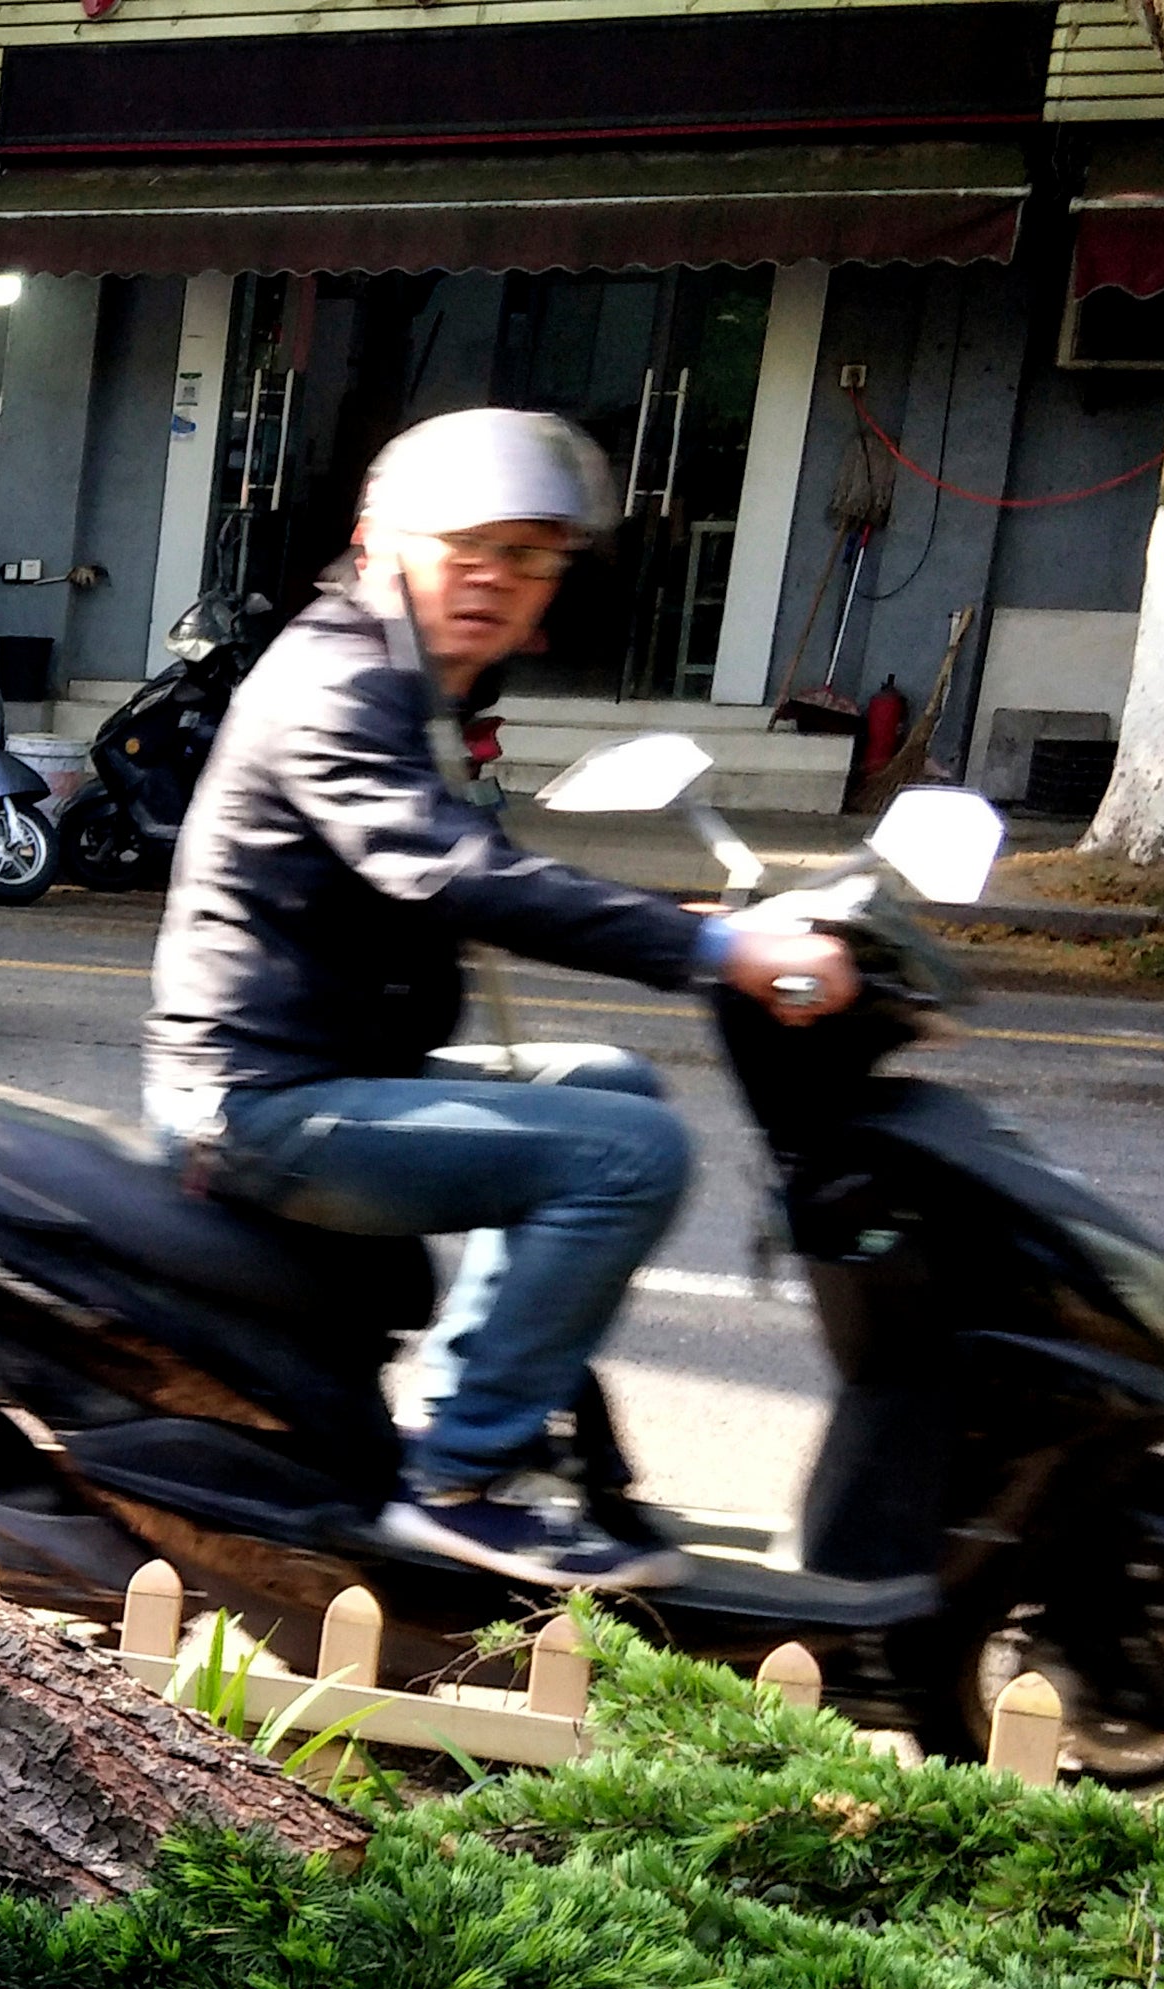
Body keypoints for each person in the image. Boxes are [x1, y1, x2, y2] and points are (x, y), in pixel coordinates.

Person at [146, 407, 862, 1590]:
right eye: (462, 543)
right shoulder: (337, 680)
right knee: (628, 1154)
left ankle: (473, 1400)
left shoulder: (405, 678)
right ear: (378, 541)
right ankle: (459, 1481)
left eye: (528, 556)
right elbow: (446, 867)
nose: (493, 575)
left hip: (327, 1068)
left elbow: (464, 873)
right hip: (257, 1102)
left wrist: (706, 928)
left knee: (610, 1085)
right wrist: (713, 945)